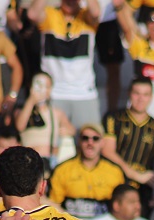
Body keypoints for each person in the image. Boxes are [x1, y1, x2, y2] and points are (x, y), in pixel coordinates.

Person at [26, 0, 103, 128]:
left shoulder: (86, 17)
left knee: (90, 140)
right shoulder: (50, 15)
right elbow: (32, 14)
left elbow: (96, 13)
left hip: (84, 93)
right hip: (53, 93)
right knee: (52, 143)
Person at [101, 78, 154, 212]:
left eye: (145, 94)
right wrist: (134, 174)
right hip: (113, 184)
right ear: (129, 94)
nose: (140, 99)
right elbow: (107, 151)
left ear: (151, 97)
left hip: (143, 190)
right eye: (136, 93)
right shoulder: (113, 118)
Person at [48, 123, 126, 219]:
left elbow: (121, 206)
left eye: (95, 139)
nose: (90, 143)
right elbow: (53, 204)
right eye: (85, 138)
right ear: (79, 141)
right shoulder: (62, 170)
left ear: (102, 143)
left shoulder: (115, 171)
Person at [15, 72, 76, 169]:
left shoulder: (56, 113)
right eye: (38, 86)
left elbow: (72, 129)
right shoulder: (22, 111)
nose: (42, 90)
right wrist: (31, 101)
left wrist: (66, 130)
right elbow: (20, 126)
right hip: (29, 160)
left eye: (46, 87)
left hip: (50, 159)